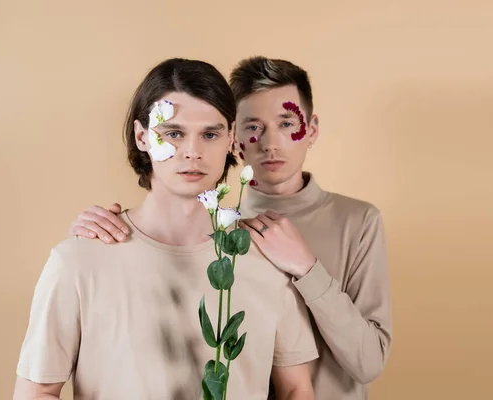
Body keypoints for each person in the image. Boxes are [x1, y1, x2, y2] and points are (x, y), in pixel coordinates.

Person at [68, 56, 392, 400]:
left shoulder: (357, 221)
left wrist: (307, 268)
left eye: (286, 123)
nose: (270, 143)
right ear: (235, 136)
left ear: (311, 130)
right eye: (253, 127)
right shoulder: (208, 221)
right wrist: (96, 235)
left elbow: (368, 363)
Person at [14, 58, 318, 400]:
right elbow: (36, 392)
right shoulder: (77, 261)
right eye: (173, 133)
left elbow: (296, 389)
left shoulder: (268, 259)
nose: (192, 152)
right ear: (142, 136)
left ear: (232, 138)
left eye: (210, 134)